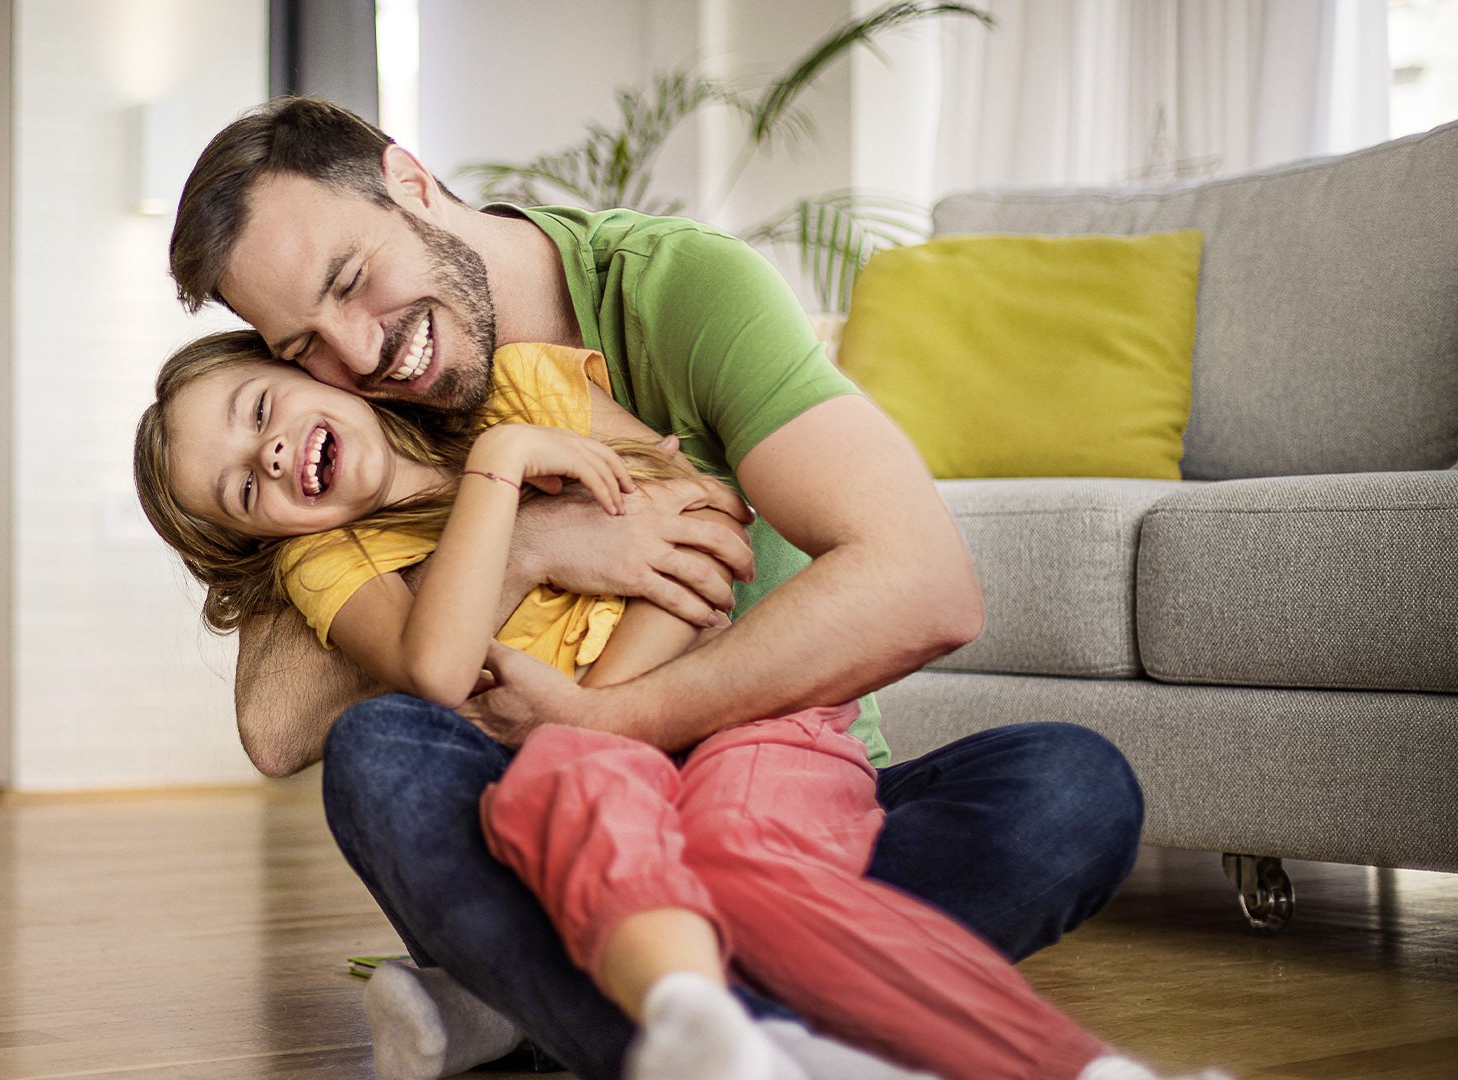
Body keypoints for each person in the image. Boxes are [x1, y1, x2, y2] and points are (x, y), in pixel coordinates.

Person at [164, 96, 1148, 1079]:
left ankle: (568, 1012)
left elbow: (924, 587)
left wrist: (603, 716)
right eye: (302, 347)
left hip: (769, 778)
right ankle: (774, 1024)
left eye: (353, 279)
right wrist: (530, 544)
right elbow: (277, 725)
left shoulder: (668, 295)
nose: (362, 353)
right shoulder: (335, 441)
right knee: (382, 754)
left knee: (1070, 790)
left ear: (412, 182)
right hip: (553, 799)